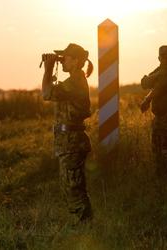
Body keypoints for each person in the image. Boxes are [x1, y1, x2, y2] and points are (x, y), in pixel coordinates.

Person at [41, 43, 93, 230]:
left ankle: (85, 225)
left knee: (74, 186)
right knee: (70, 184)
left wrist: (47, 69)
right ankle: (81, 223)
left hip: (72, 141)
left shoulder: (75, 81)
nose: (62, 61)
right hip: (68, 141)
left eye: (66, 58)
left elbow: (47, 93)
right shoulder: (73, 80)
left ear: (76, 60)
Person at [140, 45, 167, 179]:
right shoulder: (161, 69)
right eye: (162, 57)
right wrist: (157, 75)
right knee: (157, 154)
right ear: (159, 58)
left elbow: (160, 87)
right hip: (159, 119)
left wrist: (147, 99)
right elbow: (144, 83)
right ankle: (161, 187)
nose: (165, 60)